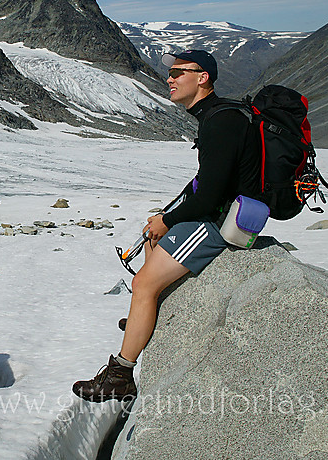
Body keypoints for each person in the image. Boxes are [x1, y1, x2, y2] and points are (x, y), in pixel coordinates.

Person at [72, 49, 260, 402]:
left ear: (202, 77)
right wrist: (165, 218)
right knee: (153, 243)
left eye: (178, 72)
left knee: (143, 283)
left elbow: (210, 198)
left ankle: (120, 376)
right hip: (218, 211)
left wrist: (167, 220)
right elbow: (206, 182)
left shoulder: (220, 122)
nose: (169, 79)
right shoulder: (218, 116)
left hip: (222, 221)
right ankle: (146, 317)